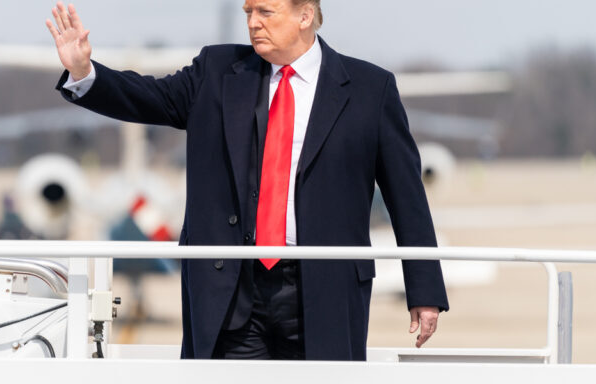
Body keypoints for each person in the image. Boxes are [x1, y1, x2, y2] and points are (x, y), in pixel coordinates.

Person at [46, 0, 448, 361]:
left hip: (323, 288)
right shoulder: (216, 71)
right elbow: (149, 97)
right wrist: (84, 72)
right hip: (231, 290)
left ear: (305, 15)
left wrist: (425, 291)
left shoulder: (370, 89)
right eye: (248, 13)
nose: (253, 23)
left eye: (266, 12)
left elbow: (406, 195)